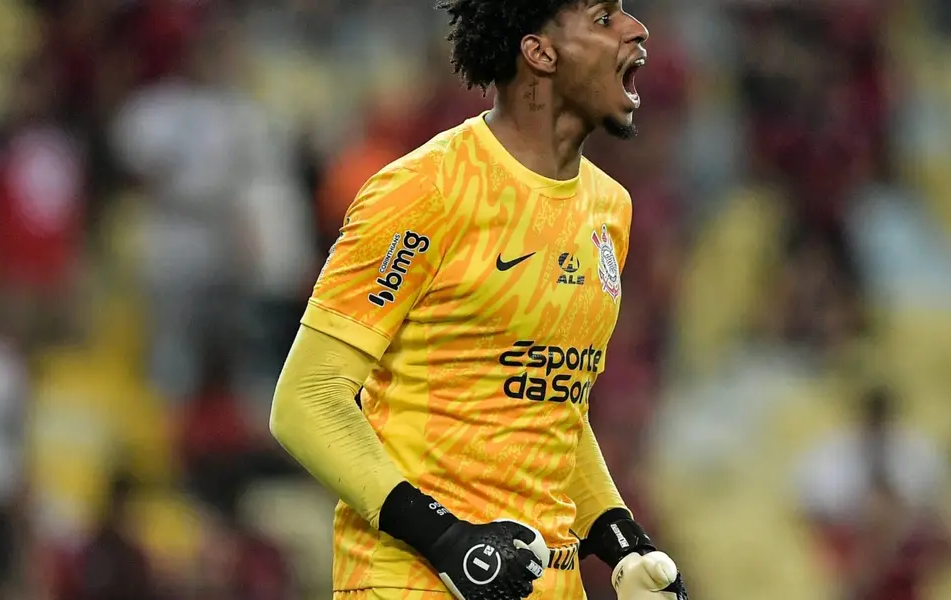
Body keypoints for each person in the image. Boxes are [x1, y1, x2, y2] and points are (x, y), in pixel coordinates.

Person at [269, 2, 688, 600]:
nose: (636, 29)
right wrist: (444, 540)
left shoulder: (609, 210)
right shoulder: (426, 189)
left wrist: (619, 537)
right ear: (539, 52)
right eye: (603, 18)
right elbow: (307, 400)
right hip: (412, 580)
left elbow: (549, 401)